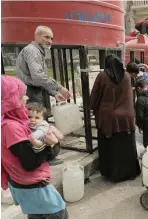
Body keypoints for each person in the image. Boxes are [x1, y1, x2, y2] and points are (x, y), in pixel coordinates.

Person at [1, 75, 68, 219]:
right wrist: (50, 145)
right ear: (9, 101)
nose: (26, 99)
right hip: (32, 185)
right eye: (20, 96)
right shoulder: (11, 127)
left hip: (25, 185)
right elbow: (30, 163)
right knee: (59, 214)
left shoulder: (11, 121)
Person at [16, 25, 70, 165]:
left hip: (34, 90)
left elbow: (39, 78)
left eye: (51, 38)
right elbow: (39, 77)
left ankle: (44, 156)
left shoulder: (38, 51)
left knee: (38, 124)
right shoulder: (32, 51)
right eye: (46, 37)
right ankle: (43, 157)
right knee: (37, 125)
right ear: (36, 36)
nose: (50, 41)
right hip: (30, 92)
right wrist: (59, 88)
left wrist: (54, 92)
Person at [89, 54, 141, 182]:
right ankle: (129, 173)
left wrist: (92, 107)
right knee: (126, 147)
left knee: (110, 148)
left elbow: (94, 95)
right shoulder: (127, 76)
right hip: (126, 118)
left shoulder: (102, 76)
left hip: (109, 118)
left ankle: (111, 174)